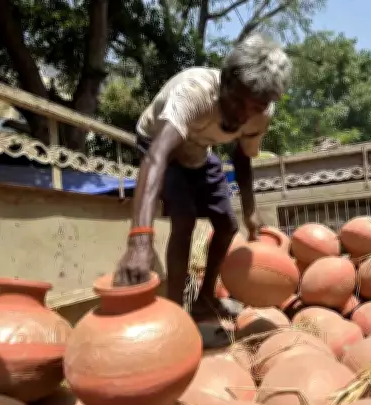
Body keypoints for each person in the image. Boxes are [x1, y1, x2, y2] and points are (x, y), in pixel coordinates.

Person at [113, 34, 292, 321]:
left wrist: (250, 211)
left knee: (227, 225)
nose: (243, 115)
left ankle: (205, 299)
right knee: (184, 219)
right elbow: (157, 156)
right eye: (237, 101)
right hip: (159, 143)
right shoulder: (194, 91)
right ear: (225, 81)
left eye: (255, 107)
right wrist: (139, 241)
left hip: (199, 149)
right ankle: (175, 314)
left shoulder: (261, 113)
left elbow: (242, 156)